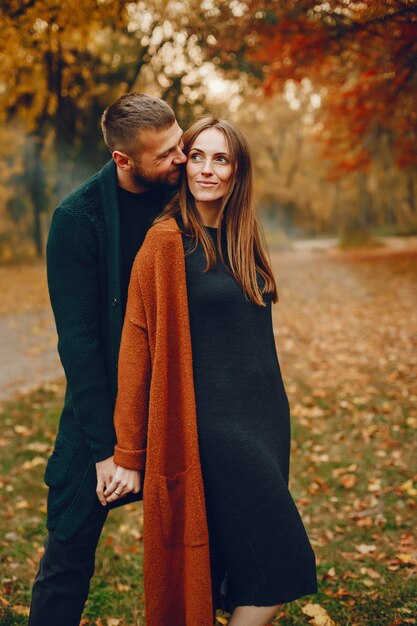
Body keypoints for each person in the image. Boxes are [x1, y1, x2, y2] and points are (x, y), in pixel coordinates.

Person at [104, 117, 318, 626]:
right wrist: (128, 451)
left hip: (264, 423)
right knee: (281, 566)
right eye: (197, 155)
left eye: (220, 159)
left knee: (250, 568)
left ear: (236, 170)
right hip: (215, 432)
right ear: (184, 162)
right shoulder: (165, 242)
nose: (206, 169)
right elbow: (136, 348)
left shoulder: (244, 239)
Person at [28, 92, 187, 626]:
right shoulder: (78, 219)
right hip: (102, 408)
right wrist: (105, 448)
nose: (181, 159)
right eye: (164, 154)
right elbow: (77, 345)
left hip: (183, 398)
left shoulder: (186, 196)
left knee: (210, 545)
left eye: (179, 143)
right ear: (123, 159)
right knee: (67, 553)